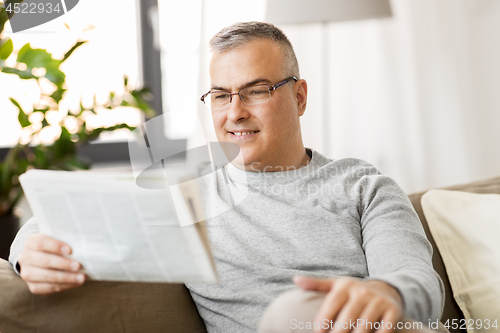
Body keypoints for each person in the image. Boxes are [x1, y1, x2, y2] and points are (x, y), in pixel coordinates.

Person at [10, 21, 444, 333]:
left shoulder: (363, 186)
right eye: (221, 95)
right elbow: (57, 212)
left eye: (257, 91)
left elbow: (415, 278)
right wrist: (29, 252)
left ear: (299, 96)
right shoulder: (184, 195)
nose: (235, 112)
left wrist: (389, 293)